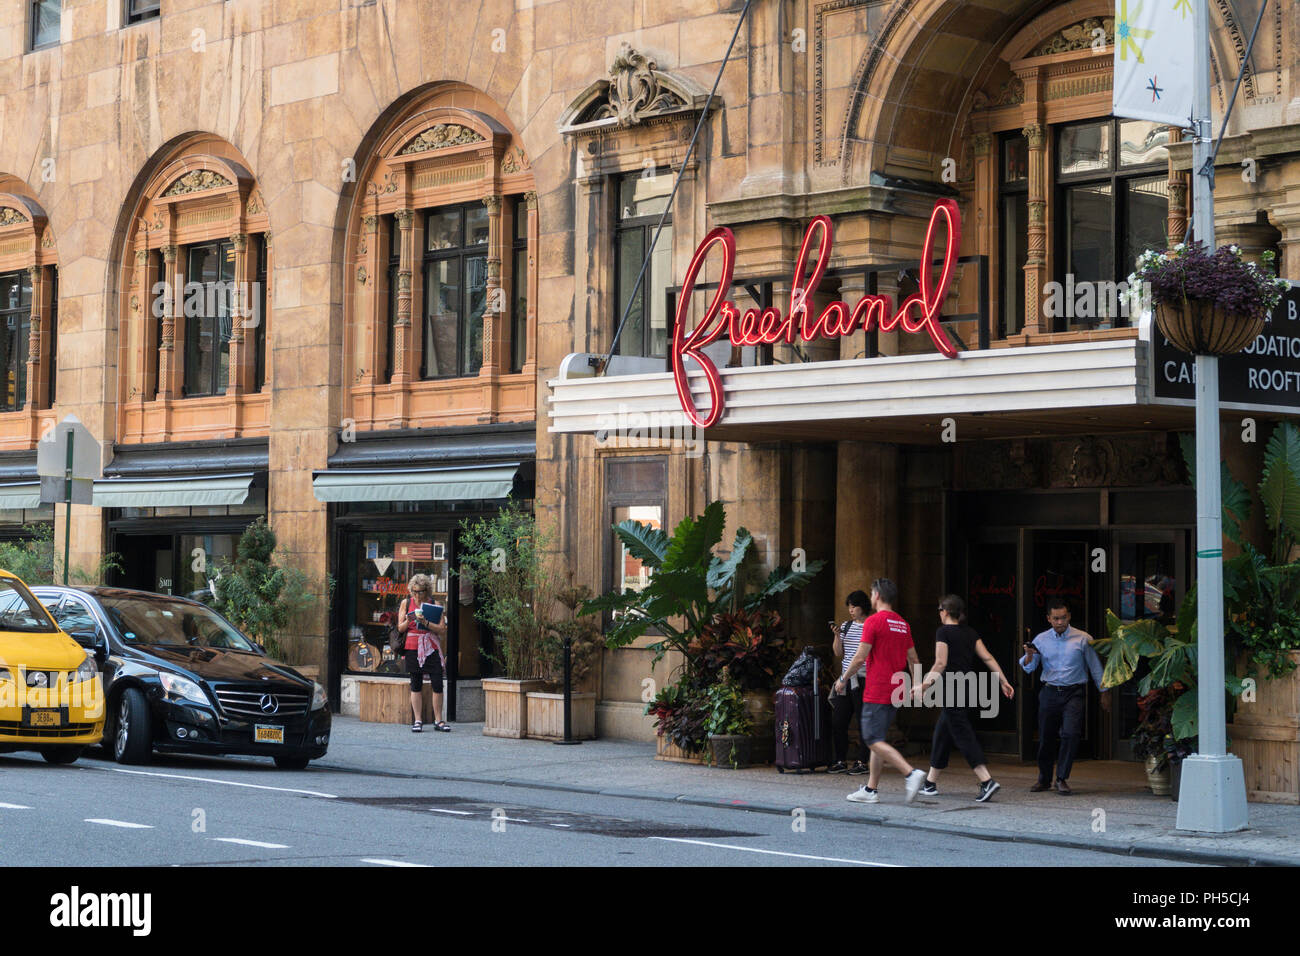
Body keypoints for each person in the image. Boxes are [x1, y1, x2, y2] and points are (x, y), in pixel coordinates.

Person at [834, 578, 928, 804]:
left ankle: (911, 773)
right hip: (897, 689)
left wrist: (843, 679)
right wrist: (917, 684)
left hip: (878, 687)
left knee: (871, 738)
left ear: (876, 596)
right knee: (879, 738)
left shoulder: (873, 622)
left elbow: (859, 657)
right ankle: (870, 789)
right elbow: (914, 658)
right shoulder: (902, 624)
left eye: (871, 594)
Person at [913, 594, 1014, 802]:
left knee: (962, 734)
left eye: (939, 610)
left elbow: (940, 663)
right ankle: (930, 783)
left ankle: (987, 781)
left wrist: (923, 685)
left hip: (951, 687)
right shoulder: (970, 632)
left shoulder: (943, 632)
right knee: (943, 731)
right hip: (968, 686)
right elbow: (987, 657)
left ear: (946, 611)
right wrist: (1003, 680)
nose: (939, 614)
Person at [1019, 598, 1108, 794]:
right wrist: (1029, 655)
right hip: (1050, 691)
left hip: (1074, 693)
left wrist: (1104, 692)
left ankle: (1061, 778)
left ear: (1069, 617)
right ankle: (1043, 779)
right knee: (1045, 737)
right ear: (1049, 619)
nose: (1060, 622)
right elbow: (1029, 667)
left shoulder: (1083, 638)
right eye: (1056, 618)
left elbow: (1095, 667)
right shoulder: (1041, 639)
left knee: (1070, 733)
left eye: (1064, 617)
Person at [827, 590, 871, 774]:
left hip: (863, 679)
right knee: (839, 721)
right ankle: (840, 759)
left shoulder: (871, 625)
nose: (851, 610)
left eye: (854, 607)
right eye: (849, 607)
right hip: (845, 680)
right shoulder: (846, 626)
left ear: (863, 607)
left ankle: (862, 761)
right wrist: (837, 636)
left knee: (863, 722)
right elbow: (838, 653)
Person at [399, 574, 450, 732]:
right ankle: (418, 720)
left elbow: (442, 629)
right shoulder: (406, 603)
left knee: (437, 683)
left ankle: (439, 720)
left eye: (420, 591)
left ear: (427, 590)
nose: (417, 595)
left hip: (430, 646)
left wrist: (426, 623)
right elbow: (400, 628)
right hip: (412, 646)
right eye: (414, 591)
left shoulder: (434, 604)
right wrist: (410, 620)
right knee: (415, 683)